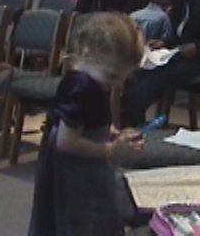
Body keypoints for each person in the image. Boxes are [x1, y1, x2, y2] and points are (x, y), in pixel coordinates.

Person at [27, 12, 146, 236]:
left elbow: (90, 121)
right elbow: (66, 142)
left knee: (96, 214)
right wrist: (111, 150)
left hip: (86, 164)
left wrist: (111, 132)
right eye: (112, 76)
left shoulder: (94, 80)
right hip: (73, 171)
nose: (116, 85)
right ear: (87, 53)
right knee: (80, 220)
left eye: (122, 79)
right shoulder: (80, 88)